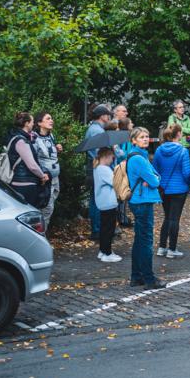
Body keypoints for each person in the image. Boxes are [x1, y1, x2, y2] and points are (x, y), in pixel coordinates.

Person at [124, 127, 163, 288]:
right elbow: (156, 181)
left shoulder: (139, 156)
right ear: (134, 140)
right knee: (146, 241)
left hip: (139, 200)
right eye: (141, 137)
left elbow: (155, 177)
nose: (145, 139)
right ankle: (149, 278)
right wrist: (153, 179)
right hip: (142, 202)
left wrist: (153, 178)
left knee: (140, 240)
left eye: (147, 136)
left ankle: (136, 276)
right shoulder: (139, 158)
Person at [153, 125, 190, 258]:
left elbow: (155, 170)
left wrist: (160, 184)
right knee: (175, 219)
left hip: (164, 189)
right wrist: (188, 184)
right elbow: (187, 173)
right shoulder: (183, 151)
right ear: (179, 134)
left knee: (167, 217)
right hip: (179, 189)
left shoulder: (158, 150)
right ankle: (172, 249)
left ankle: (161, 247)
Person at [6, 113, 50, 209]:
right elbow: (32, 165)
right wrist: (42, 176)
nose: (33, 124)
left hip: (19, 182)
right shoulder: (21, 141)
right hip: (24, 184)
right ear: (26, 123)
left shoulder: (15, 137)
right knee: (29, 215)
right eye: (32, 122)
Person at [85, 104, 112, 239]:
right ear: (102, 116)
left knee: (95, 199)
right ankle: (97, 230)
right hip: (97, 169)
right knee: (97, 200)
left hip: (94, 168)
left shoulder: (94, 129)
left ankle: (97, 229)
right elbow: (100, 153)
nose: (109, 116)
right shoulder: (97, 131)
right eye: (108, 114)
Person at [32, 111, 62, 231]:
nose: (51, 120)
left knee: (50, 207)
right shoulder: (34, 138)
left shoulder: (51, 135)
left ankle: (41, 235)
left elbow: (50, 155)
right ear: (39, 123)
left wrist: (57, 149)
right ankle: (40, 237)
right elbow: (33, 158)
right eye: (48, 118)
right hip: (45, 180)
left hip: (55, 178)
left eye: (51, 118)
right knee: (46, 209)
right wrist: (41, 175)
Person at [92, 147, 121, 262]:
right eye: (111, 157)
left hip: (103, 202)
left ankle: (103, 250)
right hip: (108, 202)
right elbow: (115, 182)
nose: (112, 160)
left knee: (105, 228)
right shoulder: (103, 169)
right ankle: (107, 253)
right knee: (109, 229)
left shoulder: (97, 168)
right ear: (105, 157)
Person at [167, 100, 190, 185]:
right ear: (175, 110)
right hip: (175, 146)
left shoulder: (187, 117)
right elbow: (172, 129)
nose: (182, 109)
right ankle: (176, 184)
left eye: (183, 107)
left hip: (186, 146)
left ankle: (188, 187)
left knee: (186, 167)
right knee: (176, 166)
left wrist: (180, 129)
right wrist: (183, 129)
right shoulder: (172, 117)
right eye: (180, 107)